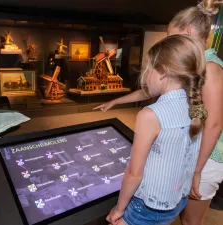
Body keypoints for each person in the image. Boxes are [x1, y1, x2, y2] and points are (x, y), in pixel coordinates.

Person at [95, 1, 223, 224]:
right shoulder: (190, 66)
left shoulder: (210, 67)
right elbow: (154, 90)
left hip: (206, 157)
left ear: (189, 33)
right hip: (187, 160)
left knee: (191, 220)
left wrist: (196, 170)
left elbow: (213, 124)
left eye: (171, 36)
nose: (168, 41)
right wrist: (116, 101)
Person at [106, 34, 207, 225]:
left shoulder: (150, 115)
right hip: (177, 201)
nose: (145, 75)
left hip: (146, 208)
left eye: (148, 68)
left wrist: (119, 209)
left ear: (162, 71)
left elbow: (134, 173)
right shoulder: (196, 106)